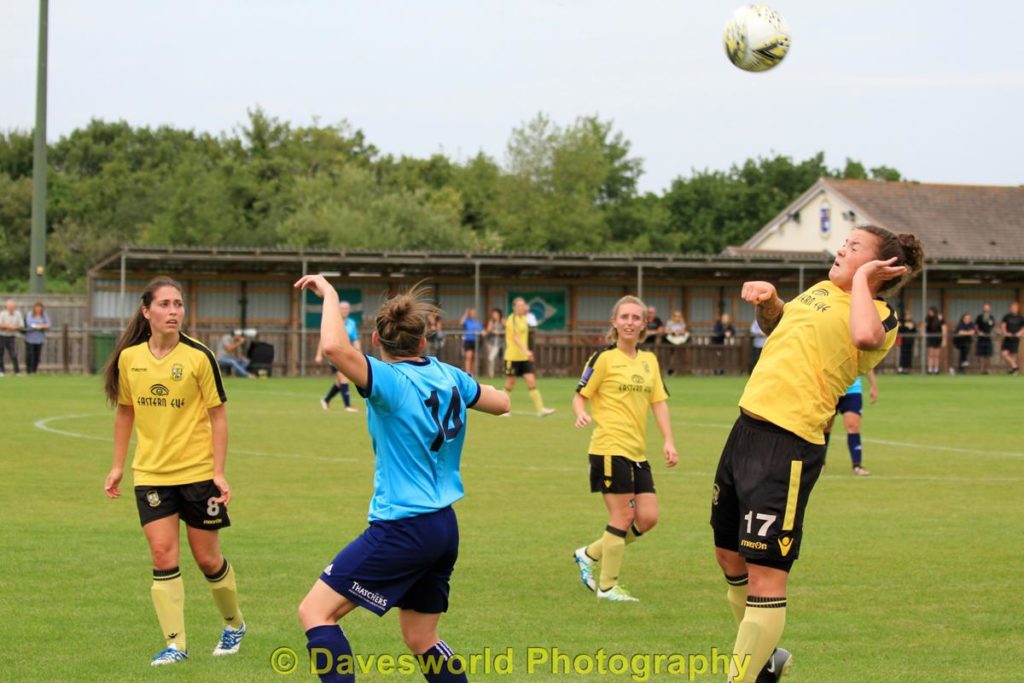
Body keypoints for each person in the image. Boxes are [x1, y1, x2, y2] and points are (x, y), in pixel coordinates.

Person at [710, 226, 923, 682]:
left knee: (767, 575)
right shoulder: (822, 288)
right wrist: (770, 302)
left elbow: (864, 338)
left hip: (788, 443)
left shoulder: (882, 315)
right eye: (844, 243)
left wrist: (864, 281)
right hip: (746, 428)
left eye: (855, 248)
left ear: (881, 268)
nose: (842, 249)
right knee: (730, 558)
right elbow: (779, 327)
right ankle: (767, 660)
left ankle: (741, 677)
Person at [292, 274, 509, 683]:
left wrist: (332, 295)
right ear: (424, 342)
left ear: (376, 340)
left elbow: (335, 347)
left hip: (403, 526)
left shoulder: (389, 381)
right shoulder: (450, 376)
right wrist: (479, 388)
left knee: (315, 612)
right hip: (443, 527)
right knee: (421, 637)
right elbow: (502, 403)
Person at [101, 276, 245, 666]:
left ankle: (233, 624)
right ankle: (175, 645)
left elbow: (219, 417)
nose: (173, 311)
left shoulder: (199, 357)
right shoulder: (131, 359)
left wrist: (219, 472)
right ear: (146, 311)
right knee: (163, 555)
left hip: (198, 474)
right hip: (150, 474)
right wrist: (117, 466)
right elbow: (125, 412)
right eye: (164, 304)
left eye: (178, 304)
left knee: (207, 560)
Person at [571, 296, 678, 602]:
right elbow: (580, 394)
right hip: (608, 448)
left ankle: (589, 554)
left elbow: (659, 403)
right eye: (625, 317)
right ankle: (607, 587)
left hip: (637, 452)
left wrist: (668, 440)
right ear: (614, 322)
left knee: (647, 517)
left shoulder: (649, 361)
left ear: (644, 324)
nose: (630, 322)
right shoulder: (602, 358)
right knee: (622, 516)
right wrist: (580, 411)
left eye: (636, 317)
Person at [504, 297, 555, 417]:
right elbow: (516, 338)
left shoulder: (524, 318)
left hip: (524, 357)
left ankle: (540, 410)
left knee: (531, 381)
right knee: (510, 383)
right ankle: (502, 409)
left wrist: (527, 354)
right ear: (514, 307)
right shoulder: (512, 320)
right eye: (519, 305)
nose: (522, 307)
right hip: (512, 357)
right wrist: (526, 351)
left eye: (523, 305)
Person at [824, 370, 878, 476]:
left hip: (852, 390)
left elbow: (867, 363)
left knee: (853, 426)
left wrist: (873, 386)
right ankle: (820, 464)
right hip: (830, 389)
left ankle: (857, 466)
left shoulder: (856, 352)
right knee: (825, 427)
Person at [317, 301, 361, 413]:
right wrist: (318, 354)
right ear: (338, 310)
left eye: (347, 309)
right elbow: (323, 338)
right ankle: (348, 406)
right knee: (344, 378)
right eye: (342, 308)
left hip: (346, 354)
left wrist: (359, 352)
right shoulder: (332, 322)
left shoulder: (351, 323)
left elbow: (355, 339)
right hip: (334, 354)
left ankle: (326, 400)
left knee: (339, 381)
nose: (345, 311)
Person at [24, 302, 51, 375]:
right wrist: (39, 326)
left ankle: (34, 371)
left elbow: (48, 324)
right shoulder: (30, 314)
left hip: (39, 339)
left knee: (37, 356)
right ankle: (28, 371)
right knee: (30, 355)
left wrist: (40, 326)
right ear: (34, 308)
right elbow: (29, 324)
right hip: (30, 338)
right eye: (37, 307)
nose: (38, 309)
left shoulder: (44, 315)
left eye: (40, 307)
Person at [0, 299, 25, 376]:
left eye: (12, 307)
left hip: (11, 336)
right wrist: (8, 326)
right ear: (7, 307)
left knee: (13, 354)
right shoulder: (2, 314)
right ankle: (1, 371)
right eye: (9, 306)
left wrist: (13, 327)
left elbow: (21, 325)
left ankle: (17, 371)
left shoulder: (18, 314)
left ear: (14, 307)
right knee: (0, 354)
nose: (11, 308)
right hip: (2, 336)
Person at [1000, 301, 1023, 374]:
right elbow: (1003, 326)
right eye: (1012, 307)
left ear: (1017, 308)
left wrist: (1020, 333)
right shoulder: (1006, 317)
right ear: (1010, 308)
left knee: (1013, 354)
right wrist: (1005, 333)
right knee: (1004, 353)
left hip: (1015, 338)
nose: (1014, 309)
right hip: (1007, 338)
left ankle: (1012, 370)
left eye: (1015, 308)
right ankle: (1015, 366)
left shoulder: (1020, 317)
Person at [459, 308, 483, 376]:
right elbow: (461, 322)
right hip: (468, 341)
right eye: (471, 313)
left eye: (474, 313)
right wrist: (466, 313)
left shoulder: (478, 322)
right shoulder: (467, 321)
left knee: (475, 357)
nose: (473, 315)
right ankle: (468, 372)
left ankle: (473, 372)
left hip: (476, 341)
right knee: (468, 356)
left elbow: (482, 331)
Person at [483, 308, 505, 378]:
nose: (494, 316)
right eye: (493, 314)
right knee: (491, 358)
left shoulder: (503, 321)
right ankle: (491, 374)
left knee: (500, 358)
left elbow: (508, 330)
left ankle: (503, 373)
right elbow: (487, 330)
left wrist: (500, 332)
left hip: (501, 343)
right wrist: (489, 330)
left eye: (496, 314)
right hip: (491, 342)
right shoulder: (491, 322)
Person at [974, 303, 996, 374]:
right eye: (985, 308)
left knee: (988, 355)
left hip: (988, 338)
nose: (986, 309)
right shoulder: (979, 317)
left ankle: (987, 369)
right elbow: (976, 327)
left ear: (990, 309)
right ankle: (981, 369)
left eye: (987, 308)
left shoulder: (991, 317)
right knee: (981, 355)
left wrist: (992, 333)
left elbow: (993, 327)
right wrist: (979, 332)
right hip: (981, 338)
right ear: (983, 309)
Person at [924, 306, 946, 374]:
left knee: (937, 355)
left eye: (931, 311)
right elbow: (924, 327)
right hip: (930, 338)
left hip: (938, 338)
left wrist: (944, 339)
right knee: (930, 354)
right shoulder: (927, 319)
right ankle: (930, 369)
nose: (930, 313)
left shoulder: (940, 318)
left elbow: (944, 328)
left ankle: (936, 369)